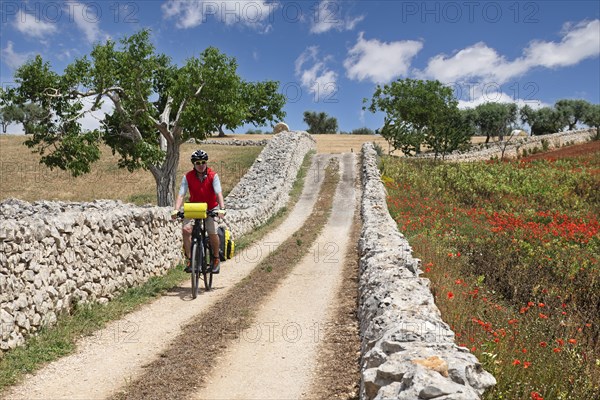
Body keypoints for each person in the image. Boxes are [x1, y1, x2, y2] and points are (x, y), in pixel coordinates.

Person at [172, 150, 226, 273]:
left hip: (210, 208)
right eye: (198, 163)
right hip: (194, 207)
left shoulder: (213, 175)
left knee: (212, 231)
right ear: (194, 164)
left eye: (203, 162)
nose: (201, 165)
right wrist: (176, 210)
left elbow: (218, 193)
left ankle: (216, 258)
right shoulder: (188, 176)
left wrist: (222, 208)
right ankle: (191, 260)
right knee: (186, 230)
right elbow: (181, 194)